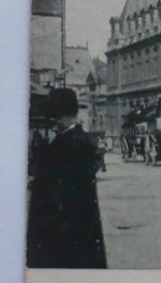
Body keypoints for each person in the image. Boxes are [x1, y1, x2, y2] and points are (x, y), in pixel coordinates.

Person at [27, 88, 107, 269]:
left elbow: (65, 194)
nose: (51, 121)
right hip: (71, 230)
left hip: (63, 233)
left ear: (61, 115)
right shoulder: (74, 141)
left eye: (54, 116)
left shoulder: (70, 145)